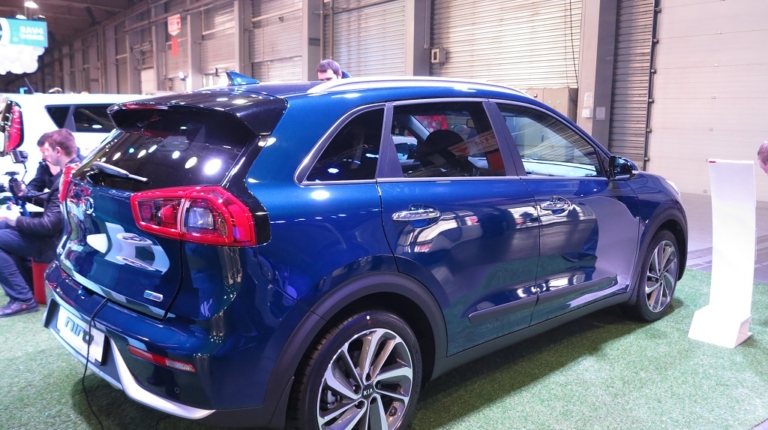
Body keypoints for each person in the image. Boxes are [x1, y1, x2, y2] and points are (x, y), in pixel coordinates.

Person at [0, 129, 79, 317]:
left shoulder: (68, 178)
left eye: (46, 151)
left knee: (6, 227)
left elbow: (47, 226)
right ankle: (27, 288)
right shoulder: (74, 171)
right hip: (63, 237)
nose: (45, 156)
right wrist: (27, 196)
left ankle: (23, 300)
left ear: (58, 151)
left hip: (56, 243)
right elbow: (53, 205)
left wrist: (14, 219)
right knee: (4, 228)